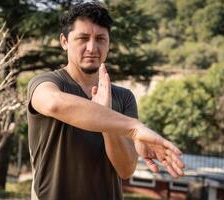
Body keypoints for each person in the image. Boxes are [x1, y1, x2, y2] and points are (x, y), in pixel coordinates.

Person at [27, 2, 185, 200]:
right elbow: (53, 103)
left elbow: (126, 170)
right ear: (64, 41)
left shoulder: (123, 97)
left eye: (100, 39)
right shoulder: (47, 83)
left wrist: (107, 121)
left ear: (109, 43)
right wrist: (133, 127)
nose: (92, 48)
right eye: (83, 38)